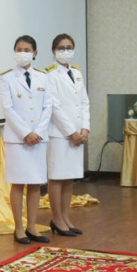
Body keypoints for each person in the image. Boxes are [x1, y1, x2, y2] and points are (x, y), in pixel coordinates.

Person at [0, 35, 52, 244]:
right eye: (19, 49)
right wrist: (25, 133)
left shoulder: (43, 77)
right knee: (18, 183)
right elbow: (8, 109)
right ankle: (19, 228)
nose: (23, 53)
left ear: (35, 53)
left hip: (38, 138)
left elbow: (48, 106)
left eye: (27, 50)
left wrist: (37, 131)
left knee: (36, 183)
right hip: (17, 139)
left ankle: (32, 227)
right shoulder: (6, 78)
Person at [45, 33, 90, 236]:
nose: (65, 51)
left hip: (77, 134)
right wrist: (71, 132)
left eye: (69, 47)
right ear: (54, 51)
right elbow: (54, 107)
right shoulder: (50, 75)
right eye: (61, 48)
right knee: (57, 178)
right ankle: (56, 219)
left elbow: (84, 102)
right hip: (59, 134)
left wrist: (85, 129)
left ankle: (65, 217)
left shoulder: (77, 72)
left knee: (69, 178)